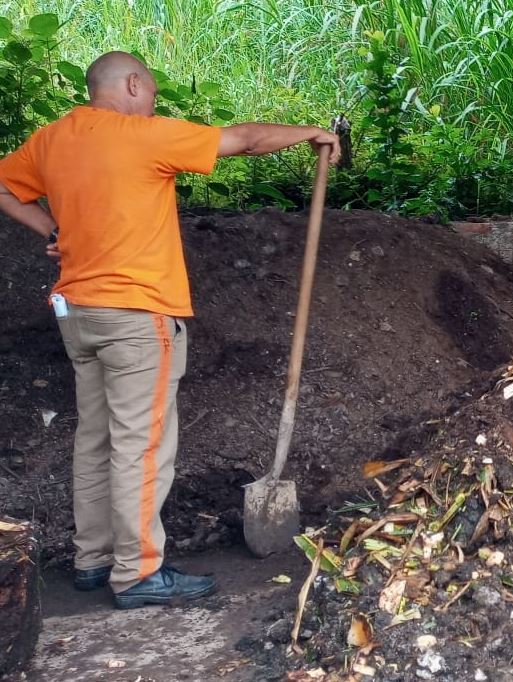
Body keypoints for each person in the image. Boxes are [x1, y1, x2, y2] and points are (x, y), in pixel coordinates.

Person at [0, 51, 340, 609]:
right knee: (141, 445)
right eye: (153, 91)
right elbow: (246, 140)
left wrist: (50, 225)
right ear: (134, 83)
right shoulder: (143, 135)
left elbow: (4, 186)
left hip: (78, 312)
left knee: (96, 437)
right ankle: (136, 573)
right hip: (136, 315)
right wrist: (309, 132)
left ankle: (94, 560)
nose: (154, 102)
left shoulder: (52, 139)